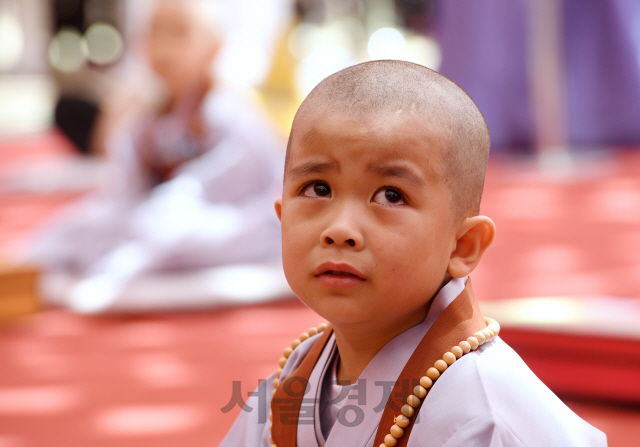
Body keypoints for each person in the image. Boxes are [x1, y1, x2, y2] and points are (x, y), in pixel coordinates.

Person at [219, 61, 606, 446]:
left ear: (463, 246)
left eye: (390, 195)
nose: (340, 230)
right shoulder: (293, 382)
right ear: (282, 219)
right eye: (318, 188)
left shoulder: (479, 419)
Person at [26, 0, 286, 312]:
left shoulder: (230, 111)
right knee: (81, 223)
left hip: (231, 221)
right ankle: (23, 267)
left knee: (170, 230)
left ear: (215, 46)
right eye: (154, 34)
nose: (164, 47)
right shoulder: (149, 115)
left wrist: (156, 212)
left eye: (179, 33)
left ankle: (116, 274)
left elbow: (215, 190)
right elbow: (126, 189)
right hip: (154, 215)